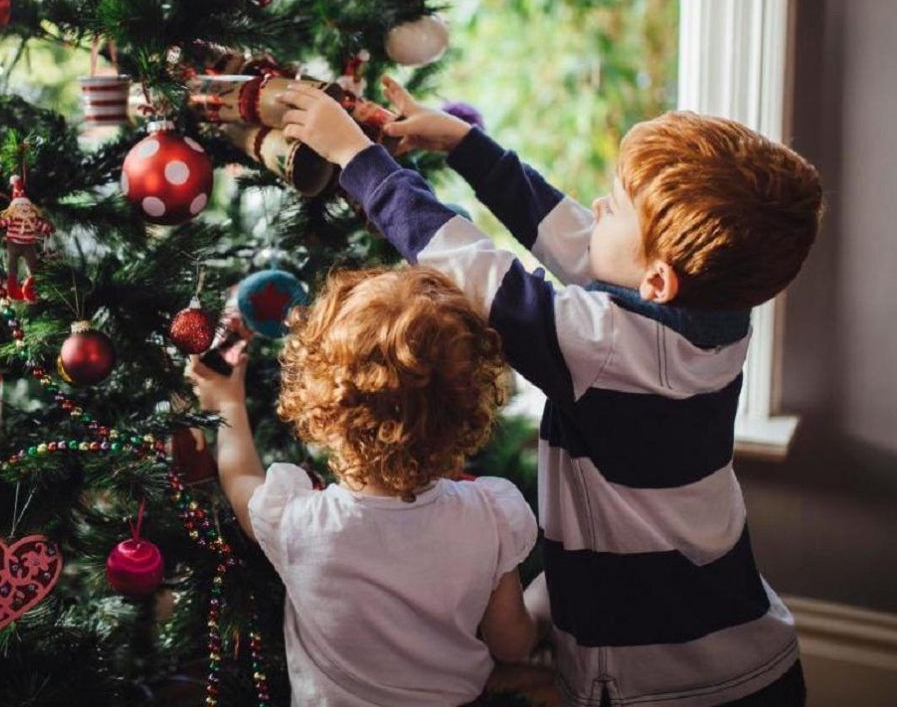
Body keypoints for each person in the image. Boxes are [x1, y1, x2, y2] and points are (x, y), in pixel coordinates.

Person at [274, 77, 822, 707]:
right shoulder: (710, 321)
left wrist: (359, 163)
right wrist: (467, 147)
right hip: (747, 652)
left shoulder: (607, 349)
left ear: (658, 279)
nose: (594, 207)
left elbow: (476, 270)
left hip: (672, 684)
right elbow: (574, 240)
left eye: (613, 207)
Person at [188, 265, 540, 707]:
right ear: (465, 413)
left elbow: (239, 475)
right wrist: (543, 607)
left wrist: (226, 400)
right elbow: (511, 644)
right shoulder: (490, 515)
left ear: (323, 410)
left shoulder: (299, 523)